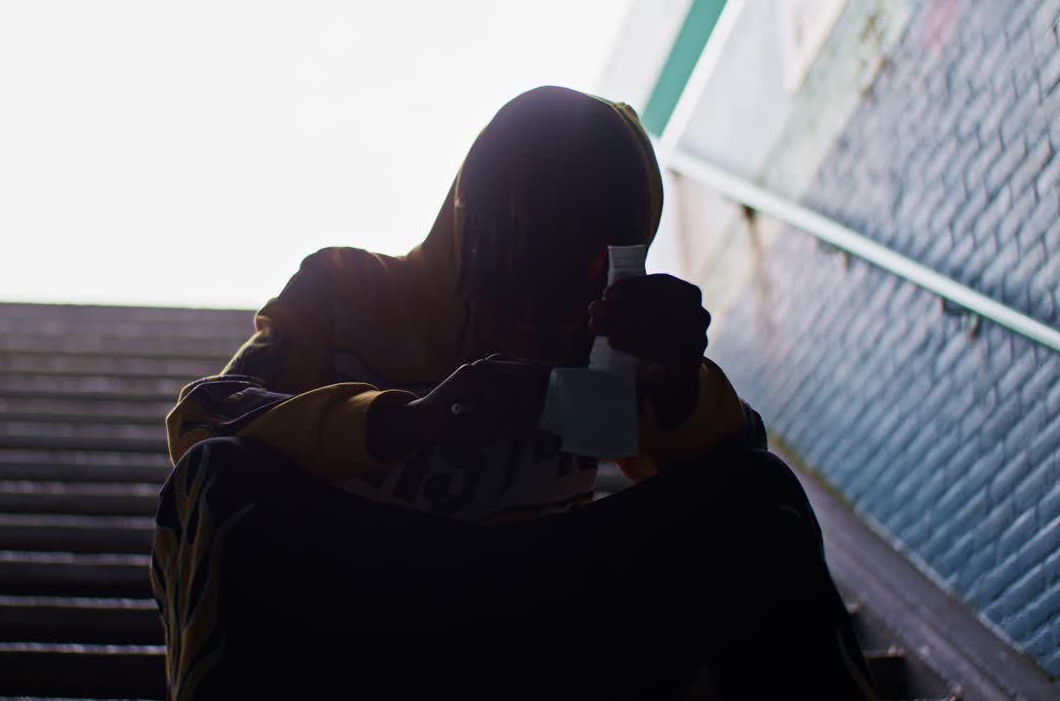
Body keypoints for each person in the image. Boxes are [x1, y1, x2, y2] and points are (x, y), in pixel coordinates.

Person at [150, 86, 878, 698]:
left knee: (755, 494)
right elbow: (205, 421)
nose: (551, 296)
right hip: (369, 611)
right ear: (476, 228)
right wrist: (404, 422)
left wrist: (677, 388)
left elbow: (737, 492)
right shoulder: (349, 291)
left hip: (541, 618)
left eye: (590, 264)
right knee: (217, 484)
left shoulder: (596, 354)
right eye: (529, 253)